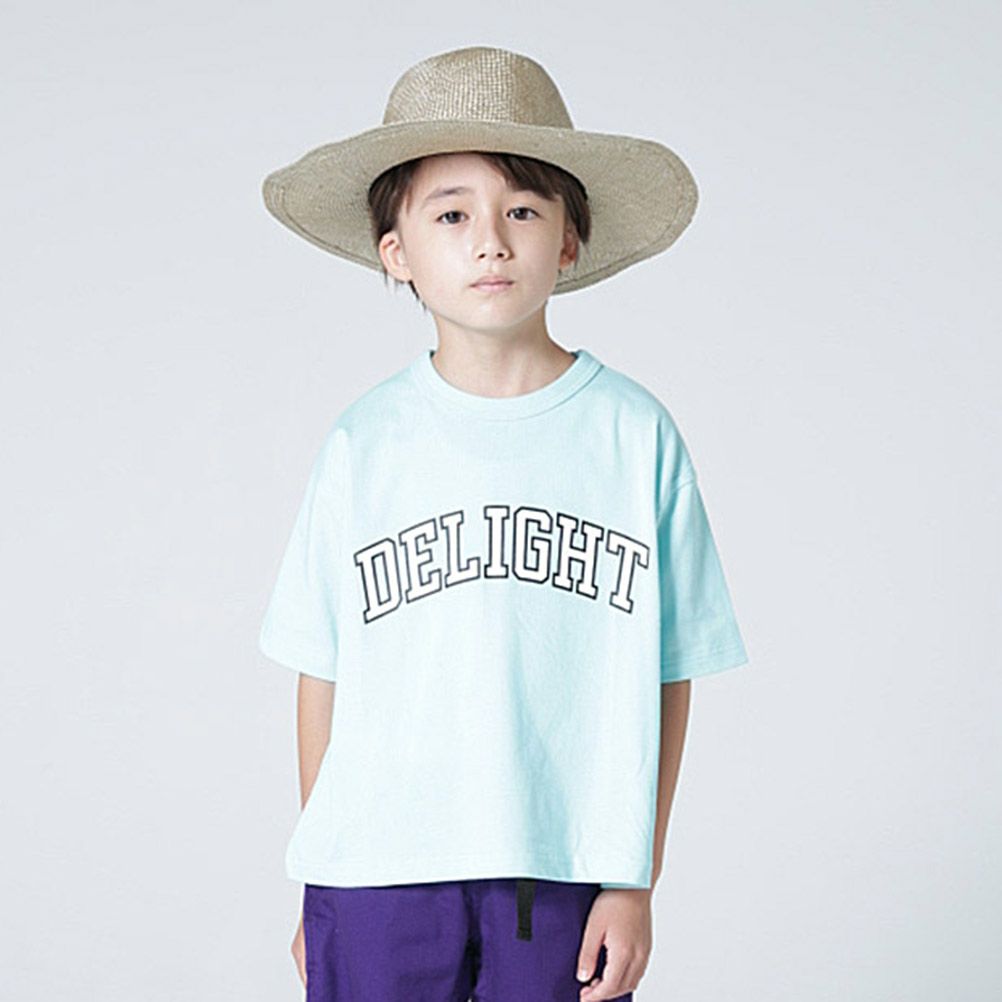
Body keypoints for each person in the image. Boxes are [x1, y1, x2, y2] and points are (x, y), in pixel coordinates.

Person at [258, 45, 750, 1002]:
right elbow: (322, 671)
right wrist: (324, 867)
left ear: (569, 238)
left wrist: (634, 878)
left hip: (560, 865)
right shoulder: (365, 443)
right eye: (452, 214)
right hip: (376, 870)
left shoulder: (632, 436)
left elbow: (670, 670)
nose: (490, 241)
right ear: (395, 251)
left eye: (522, 209)